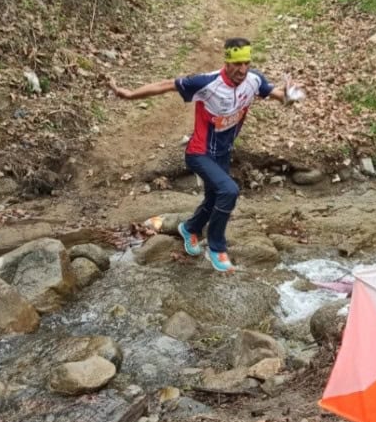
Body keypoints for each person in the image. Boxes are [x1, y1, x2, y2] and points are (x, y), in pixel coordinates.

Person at [108, 37, 303, 273]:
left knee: (213, 199)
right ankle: (216, 247)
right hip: (199, 153)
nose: (242, 69)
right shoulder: (207, 82)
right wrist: (129, 94)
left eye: (247, 63)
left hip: (222, 153)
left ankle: (189, 229)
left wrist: (289, 97)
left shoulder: (253, 80)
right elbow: (166, 84)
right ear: (227, 62)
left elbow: (276, 93)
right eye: (237, 64)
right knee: (229, 191)